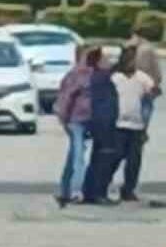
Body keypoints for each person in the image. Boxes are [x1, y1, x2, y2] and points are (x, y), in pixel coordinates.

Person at [108, 46, 156, 202]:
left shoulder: (142, 78)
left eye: (134, 60)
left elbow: (153, 91)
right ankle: (104, 182)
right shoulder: (115, 78)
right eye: (129, 60)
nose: (132, 63)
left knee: (134, 161)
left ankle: (128, 189)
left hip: (137, 126)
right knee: (115, 156)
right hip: (118, 125)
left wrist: (151, 94)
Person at [54, 47, 99, 207]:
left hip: (90, 120)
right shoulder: (76, 75)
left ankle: (64, 189)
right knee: (78, 156)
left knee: (73, 155)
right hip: (76, 121)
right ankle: (75, 191)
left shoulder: (97, 75)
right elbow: (66, 97)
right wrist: (63, 117)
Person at [82, 48, 121, 205]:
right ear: (98, 62)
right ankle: (98, 193)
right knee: (104, 159)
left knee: (97, 158)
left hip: (100, 123)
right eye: (104, 59)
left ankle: (90, 192)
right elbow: (102, 104)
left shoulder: (97, 76)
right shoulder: (101, 78)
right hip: (104, 124)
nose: (108, 61)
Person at [126, 28, 163, 126]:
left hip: (133, 85)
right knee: (145, 107)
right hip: (147, 85)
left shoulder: (130, 48)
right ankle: (142, 129)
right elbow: (157, 72)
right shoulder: (148, 49)